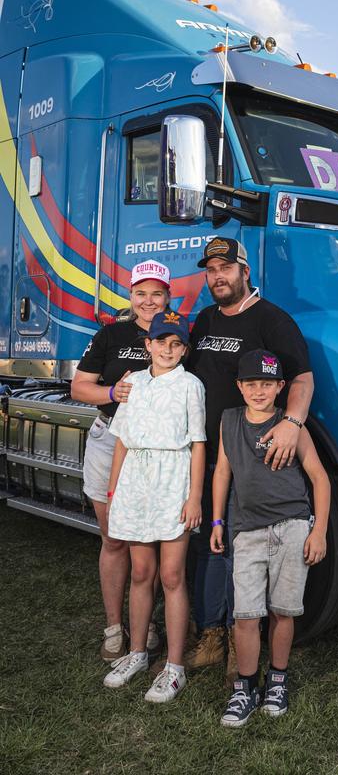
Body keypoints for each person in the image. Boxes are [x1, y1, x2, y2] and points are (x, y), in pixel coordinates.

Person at [184, 237, 313, 679]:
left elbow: (303, 378)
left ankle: (249, 641)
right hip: (211, 453)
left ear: (245, 272)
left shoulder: (272, 320)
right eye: (211, 270)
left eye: (226, 268)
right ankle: (212, 634)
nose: (218, 276)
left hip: (258, 462)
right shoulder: (203, 321)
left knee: (252, 545)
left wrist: (292, 424)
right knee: (210, 542)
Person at [211, 349, 330, 727]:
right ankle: (245, 686)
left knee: (283, 611)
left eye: (267, 384)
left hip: (292, 528)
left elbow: (320, 479)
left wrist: (319, 531)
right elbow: (222, 475)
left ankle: (277, 679)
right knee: (245, 615)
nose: (259, 391)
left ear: (280, 387)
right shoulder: (229, 422)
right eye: (251, 384)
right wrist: (217, 522)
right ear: (239, 387)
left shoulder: (291, 426)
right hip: (247, 531)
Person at [103, 310, 206, 703]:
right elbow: (122, 441)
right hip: (135, 483)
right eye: (161, 341)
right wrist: (115, 494)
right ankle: (137, 653)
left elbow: (198, 443)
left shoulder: (190, 386)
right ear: (148, 344)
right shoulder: (132, 383)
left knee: (172, 575)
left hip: (172, 482)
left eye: (176, 343)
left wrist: (194, 496)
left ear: (184, 349)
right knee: (141, 571)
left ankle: (174, 667)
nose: (168, 349)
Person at [71, 260, 171, 661]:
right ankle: (115, 627)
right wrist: (114, 393)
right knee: (114, 539)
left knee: (153, 541)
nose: (148, 302)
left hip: (158, 448)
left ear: (168, 297)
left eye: (157, 294)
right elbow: (80, 387)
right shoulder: (111, 334)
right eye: (141, 294)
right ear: (131, 296)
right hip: (110, 439)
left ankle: (148, 624)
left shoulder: (177, 334)